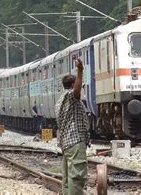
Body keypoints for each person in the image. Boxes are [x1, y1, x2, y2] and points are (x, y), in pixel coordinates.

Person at [55, 58, 89, 195]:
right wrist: (80, 70)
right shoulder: (70, 97)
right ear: (73, 84)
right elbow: (76, 92)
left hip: (66, 143)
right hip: (75, 142)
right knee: (77, 177)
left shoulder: (59, 101)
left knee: (68, 179)